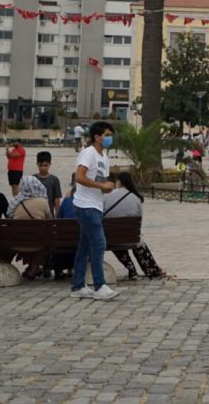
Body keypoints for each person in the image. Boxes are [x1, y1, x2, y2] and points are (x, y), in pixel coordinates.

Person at [70, 121, 119, 300]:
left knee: (84, 247)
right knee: (99, 244)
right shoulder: (88, 154)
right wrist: (101, 185)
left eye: (110, 135)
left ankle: (77, 286)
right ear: (97, 137)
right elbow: (79, 177)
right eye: (106, 135)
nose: (109, 138)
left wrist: (106, 187)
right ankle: (100, 286)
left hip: (96, 204)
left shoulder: (104, 157)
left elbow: (99, 181)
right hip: (86, 206)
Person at [104, 172, 166, 280]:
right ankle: (152, 270)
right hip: (131, 237)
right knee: (138, 241)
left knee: (117, 240)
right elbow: (139, 218)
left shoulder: (107, 196)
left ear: (118, 182)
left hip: (111, 238)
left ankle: (131, 270)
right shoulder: (136, 198)